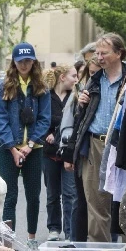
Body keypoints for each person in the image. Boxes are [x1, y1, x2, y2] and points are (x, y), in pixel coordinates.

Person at [0, 42, 51, 250]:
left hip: (33, 150)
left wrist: (30, 145)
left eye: (28, 60)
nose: (24, 64)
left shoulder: (41, 87)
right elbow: (0, 120)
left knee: (33, 194)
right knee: (9, 195)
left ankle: (32, 238)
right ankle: (9, 241)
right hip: (8, 149)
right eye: (20, 61)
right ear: (14, 63)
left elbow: (45, 119)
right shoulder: (3, 86)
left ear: (33, 62)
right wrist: (13, 148)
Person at [72, 33, 126, 243]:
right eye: (97, 53)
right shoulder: (94, 80)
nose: (98, 57)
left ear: (119, 53)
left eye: (103, 52)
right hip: (95, 144)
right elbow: (81, 119)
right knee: (96, 204)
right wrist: (81, 103)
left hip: (122, 146)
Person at [41, 65, 78, 241]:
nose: (76, 79)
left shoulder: (76, 97)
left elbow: (75, 122)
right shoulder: (46, 97)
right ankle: (54, 228)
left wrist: (55, 134)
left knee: (70, 193)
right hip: (49, 153)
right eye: (73, 76)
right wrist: (45, 134)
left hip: (68, 151)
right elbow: (39, 121)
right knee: (52, 193)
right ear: (62, 77)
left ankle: (70, 230)